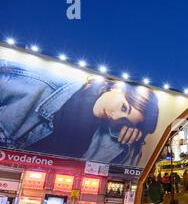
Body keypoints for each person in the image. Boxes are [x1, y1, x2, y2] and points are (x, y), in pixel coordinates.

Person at [0, 61, 159, 166]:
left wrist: (127, 143)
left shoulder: (108, 138)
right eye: (124, 108)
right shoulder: (41, 83)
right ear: (116, 88)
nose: (116, 117)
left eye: (124, 121)